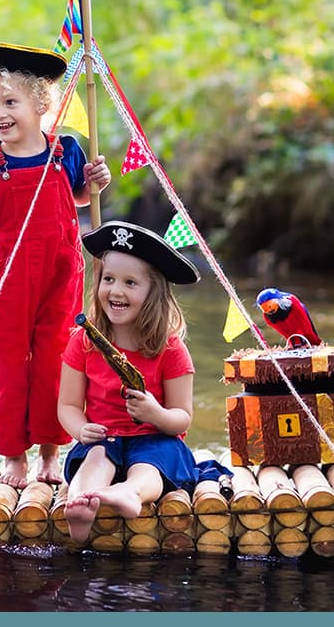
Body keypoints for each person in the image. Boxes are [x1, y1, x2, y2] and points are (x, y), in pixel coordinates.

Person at [0, 42, 111, 489]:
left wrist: (96, 182)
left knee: (56, 360)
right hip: (7, 280)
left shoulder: (67, 150)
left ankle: (48, 453)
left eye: (9, 102)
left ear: (41, 104)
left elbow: (77, 196)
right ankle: (13, 456)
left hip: (61, 274)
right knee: (7, 365)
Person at [58, 219, 229, 544]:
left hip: (155, 439)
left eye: (130, 283)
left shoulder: (170, 349)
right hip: (103, 439)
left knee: (153, 462)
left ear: (154, 292)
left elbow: (182, 417)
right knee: (95, 455)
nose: (116, 290)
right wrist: (80, 428)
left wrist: (155, 414)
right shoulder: (83, 341)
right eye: (108, 279)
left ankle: (130, 493)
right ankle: (80, 501)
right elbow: (67, 405)